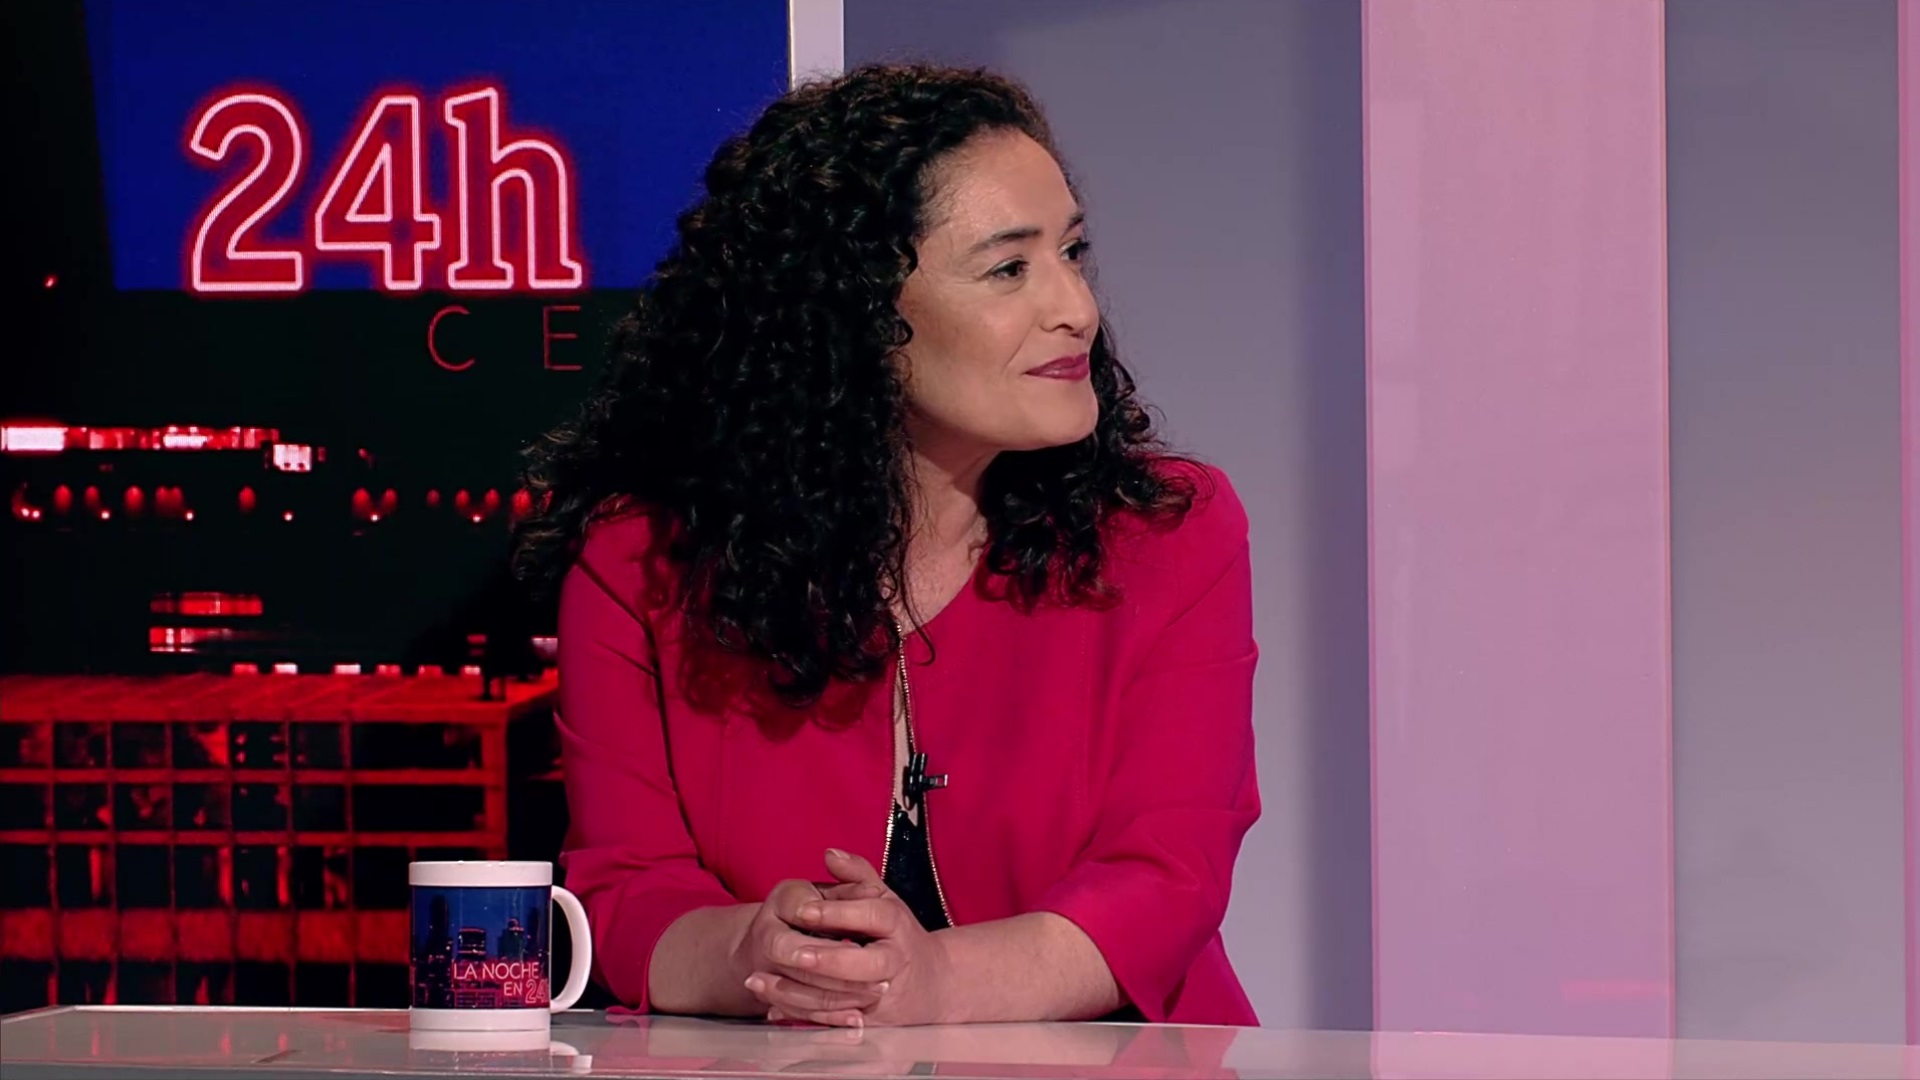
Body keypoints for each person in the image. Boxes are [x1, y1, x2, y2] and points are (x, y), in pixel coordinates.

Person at [515, 63, 1260, 1029]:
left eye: (1072, 251)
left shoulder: (1170, 532)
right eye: (1009, 269)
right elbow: (624, 890)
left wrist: (936, 982)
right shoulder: (641, 565)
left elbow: (1166, 877)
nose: (1076, 306)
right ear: (855, 313)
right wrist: (754, 955)